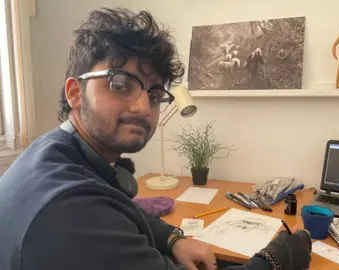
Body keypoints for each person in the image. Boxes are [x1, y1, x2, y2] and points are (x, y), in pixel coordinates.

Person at [0, 7, 312, 270]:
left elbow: (122, 204)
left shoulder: (54, 151)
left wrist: (173, 238)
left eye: (154, 93)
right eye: (120, 83)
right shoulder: (70, 212)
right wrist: (280, 256)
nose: (142, 107)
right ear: (75, 93)